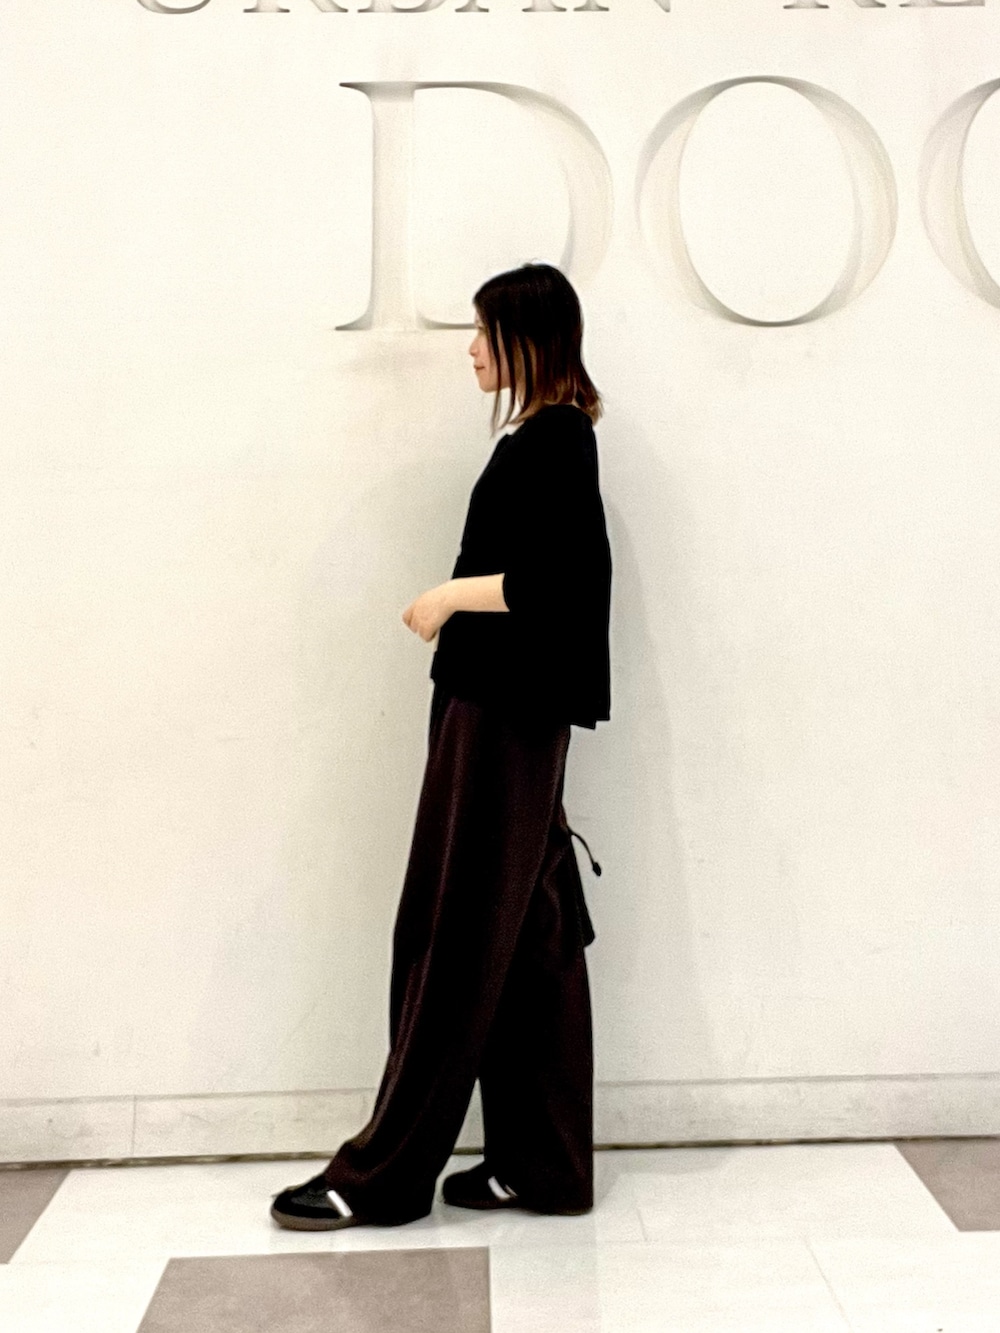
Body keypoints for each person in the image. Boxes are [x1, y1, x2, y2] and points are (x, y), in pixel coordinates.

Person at [270, 261, 613, 1232]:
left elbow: (556, 586)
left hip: (501, 713)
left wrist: (444, 597)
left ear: (526, 340)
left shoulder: (554, 441)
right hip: (504, 708)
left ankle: (382, 1175)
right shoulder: (550, 437)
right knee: (534, 931)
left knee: (451, 934)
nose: (470, 349)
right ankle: (544, 1165)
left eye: (484, 333)